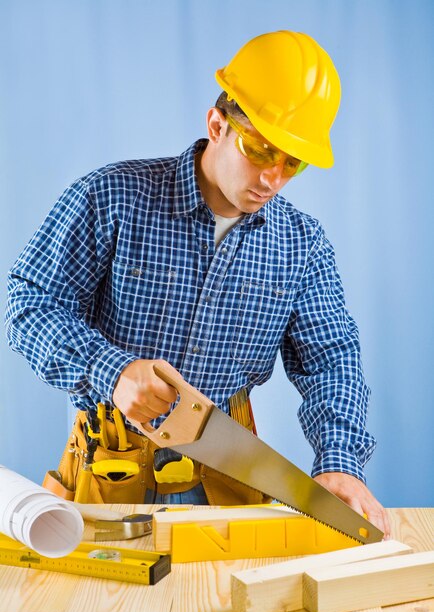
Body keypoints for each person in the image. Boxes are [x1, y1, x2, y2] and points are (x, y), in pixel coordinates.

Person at [5, 31, 390, 536]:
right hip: (110, 472)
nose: (273, 178)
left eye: (291, 162)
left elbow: (331, 360)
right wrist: (113, 372)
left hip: (232, 482)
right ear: (218, 125)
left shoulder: (302, 245)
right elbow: (29, 304)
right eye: (260, 149)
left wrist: (339, 463)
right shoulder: (113, 197)